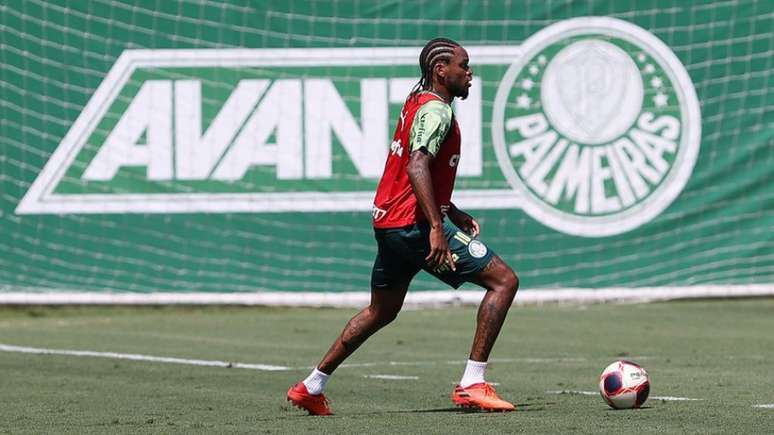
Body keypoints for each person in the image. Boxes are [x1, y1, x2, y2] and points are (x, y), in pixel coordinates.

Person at [287, 38, 519, 415]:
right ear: (441, 70)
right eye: (464, 65)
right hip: (413, 227)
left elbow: (413, 171)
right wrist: (435, 226)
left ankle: (310, 387)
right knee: (504, 281)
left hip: (391, 225)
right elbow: (415, 167)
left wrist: (450, 209)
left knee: (382, 310)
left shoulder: (418, 101)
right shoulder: (436, 112)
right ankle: (473, 383)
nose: (470, 72)